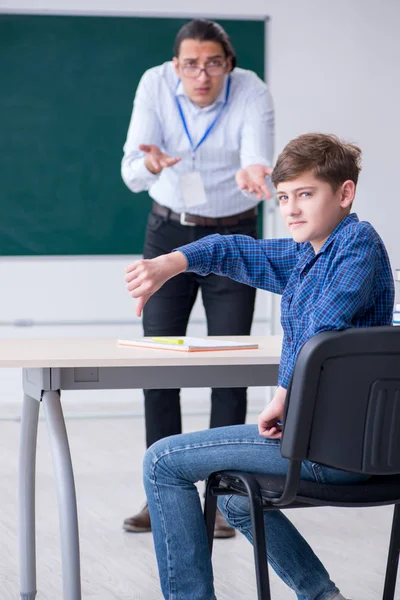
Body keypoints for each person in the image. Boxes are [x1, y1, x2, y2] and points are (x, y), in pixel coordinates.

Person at [124, 133, 394, 600]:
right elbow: (233, 249)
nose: (290, 209)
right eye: (284, 196)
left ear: (345, 194)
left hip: (337, 447)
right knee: (233, 498)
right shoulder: (309, 253)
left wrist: (283, 397)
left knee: (161, 461)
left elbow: (322, 329)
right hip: (333, 441)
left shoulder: (357, 244)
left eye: (306, 194)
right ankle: (320, 595)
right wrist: (172, 262)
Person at [121, 18, 274, 537]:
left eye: (213, 63)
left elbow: (256, 150)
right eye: (191, 64)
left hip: (232, 238)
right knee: (159, 368)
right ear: (176, 65)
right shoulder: (153, 83)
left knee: (229, 367)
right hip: (169, 233)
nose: (201, 74)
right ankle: (162, 494)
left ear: (228, 64)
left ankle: (223, 498)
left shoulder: (250, 89)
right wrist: (153, 167)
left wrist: (256, 170)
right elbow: (130, 169)